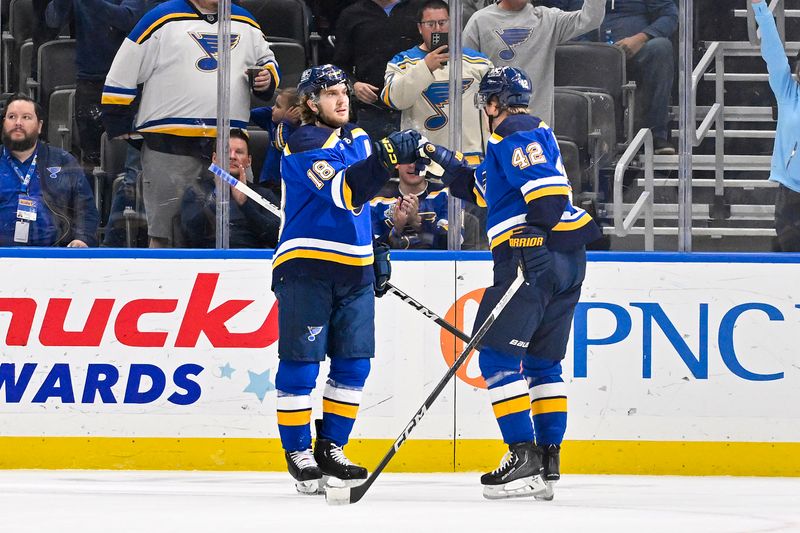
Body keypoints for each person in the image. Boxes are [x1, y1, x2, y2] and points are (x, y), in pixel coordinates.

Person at [420, 67, 601, 500]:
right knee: (542, 364)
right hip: (566, 261)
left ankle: (522, 455)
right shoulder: (525, 134)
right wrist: (444, 163)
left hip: (531, 259)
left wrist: (535, 234)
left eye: (485, 102)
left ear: (493, 103)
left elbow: (549, 191)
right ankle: (547, 459)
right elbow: (487, 191)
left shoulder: (514, 129)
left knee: (498, 359)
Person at [273, 64, 421, 493]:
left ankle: (331, 448)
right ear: (310, 102)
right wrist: (386, 159)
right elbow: (342, 191)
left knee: (353, 364)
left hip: (354, 269)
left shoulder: (358, 140)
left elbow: (360, 206)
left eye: (344, 92)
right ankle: (299, 451)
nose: (341, 99)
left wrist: (387, 221)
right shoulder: (303, 142)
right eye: (329, 93)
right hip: (308, 267)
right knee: (302, 363)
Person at [101, 0, 280, 248]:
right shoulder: (161, 18)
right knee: (165, 234)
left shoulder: (245, 21)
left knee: (240, 227)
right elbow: (124, 68)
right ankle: (164, 287)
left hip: (228, 146)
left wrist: (267, 77)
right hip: (169, 147)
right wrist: (117, 121)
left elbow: (267, 61)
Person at [546, 0, 678, 155]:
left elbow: (669, 16)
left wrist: (641, 38)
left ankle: (655, 135)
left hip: (633, 51)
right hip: (581, 51)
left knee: (660, 48)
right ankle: (559, 137)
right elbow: (549, 17)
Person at [382, 0, 492, 165]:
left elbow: (493, 109)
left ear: (453, 24)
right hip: (424, 161)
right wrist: (425, 67)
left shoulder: (478, 62)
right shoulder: (403, 62)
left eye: (442, 22)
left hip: (471, 160)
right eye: (430, 24)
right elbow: (394, 100)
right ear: (420, 28)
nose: (438, 29)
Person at [462, 0, 605, 127]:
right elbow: (465, 72)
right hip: (494, 126)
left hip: (537, 128)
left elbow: (590, 19)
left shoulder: (548, 19)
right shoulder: (480, 21)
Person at [44, 0, 146, 167]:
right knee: (92, 160)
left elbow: (129, 20)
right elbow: (53, 20)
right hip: (89, 81)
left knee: (126, 163)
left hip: (126, 83)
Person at [0, 94, 99, 247]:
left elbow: (85, 208)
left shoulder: (62, 161)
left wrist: (82, 238)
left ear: (39, 126)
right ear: (4, 122)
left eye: (26, 117)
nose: (18, 123)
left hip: (53, 256)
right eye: (12, 116)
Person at [333, 0, 425, 141]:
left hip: (418, 108)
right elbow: (339, 64)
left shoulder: (420, 8)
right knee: (372, 161)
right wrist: (354, 85)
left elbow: (435, 51)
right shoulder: (351, 15)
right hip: (372, 110)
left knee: (424, 160)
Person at [753, 0, 800, 251]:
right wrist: (760, 7)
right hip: (791, 195)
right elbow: (773, 51)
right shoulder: (787, 93)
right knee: (790, 266)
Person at [180, 129, 280, 248]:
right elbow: (189, 236)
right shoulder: (196, 191)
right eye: (226, 151)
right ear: (214, 158)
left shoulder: (263, 195)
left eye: (239, 152)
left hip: (252, 260)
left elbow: (276, 237)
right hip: (208, 260)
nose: (232, 157)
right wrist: (216, 196)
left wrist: (245, 205)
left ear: (249, 161)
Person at [371, 162, 449, 249]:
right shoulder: (376, 201)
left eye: (418, 160)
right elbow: (371, 249)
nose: (412, 165)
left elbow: (452, 243)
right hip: (393, 262)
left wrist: (419, 223)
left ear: (427, 163)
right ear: (397, 164)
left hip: (438, 262)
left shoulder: (446, 195)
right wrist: (396, 229)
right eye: (407, 160)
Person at [250, 88, 301, 194]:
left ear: (293, 112)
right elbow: (253, 114)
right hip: (267, 181)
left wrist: (285, 122)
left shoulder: (299, 130)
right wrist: (275, 111)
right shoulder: (272, 122)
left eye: (277, 106)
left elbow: (281, 145)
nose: (273, 108)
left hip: (284, 185)